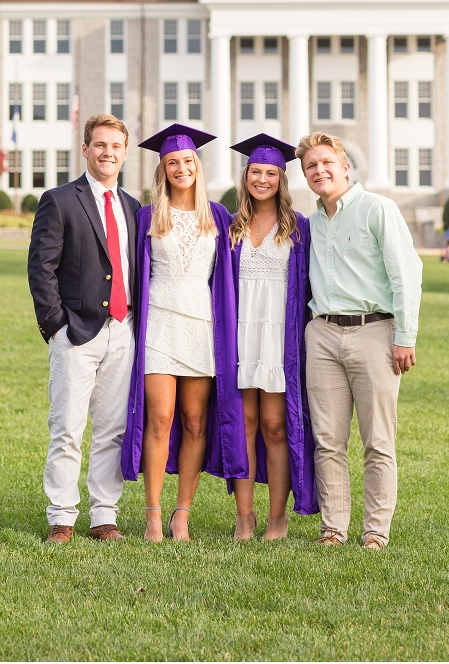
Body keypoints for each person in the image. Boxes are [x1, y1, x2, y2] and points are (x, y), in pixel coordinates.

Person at [121, 124, 246, 542]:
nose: (181, 167)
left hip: (202, 326)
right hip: (159, 321)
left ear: (198, 165)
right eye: (173, 162)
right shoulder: (147, 216)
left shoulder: (218, 216)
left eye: (188, 161)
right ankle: (153, 513)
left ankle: (182, 514)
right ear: (163, 168)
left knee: (195, 422)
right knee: (160, 418)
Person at [297, 132, 422, 550]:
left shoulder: (378, 209)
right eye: (311, 166)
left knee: (378, 440)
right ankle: (333, 528)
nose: (320, 171)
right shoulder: (311, 223)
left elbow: (407, 274)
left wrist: (405, 336)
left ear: (345, 165)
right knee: (328, 440)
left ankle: (375, 532)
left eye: (327, 163)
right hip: (323, 334)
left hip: (375, 332)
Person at [28, 114, 139, 544]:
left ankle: (104, 516)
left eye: (116, 146)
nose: (108, 152)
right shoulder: (59, 201)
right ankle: (61, 516)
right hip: (74, 333)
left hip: (122, 330)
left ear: (125, 154)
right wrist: (55, 326)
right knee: (68, 428)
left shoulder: (132, 207)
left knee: (112, 430)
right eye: (100, 145)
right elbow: (41, 269)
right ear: (86, 150)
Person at [228, 134, 318, 541]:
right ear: (245, 176)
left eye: (270, 173)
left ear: (281, 179)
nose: (261, 179)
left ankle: (277, 516)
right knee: (243, 423)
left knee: (274, 425)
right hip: (241, 335)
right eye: (255, 172)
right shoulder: (232, 228)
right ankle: (244, 516)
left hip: (279, 338)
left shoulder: (299, 228)